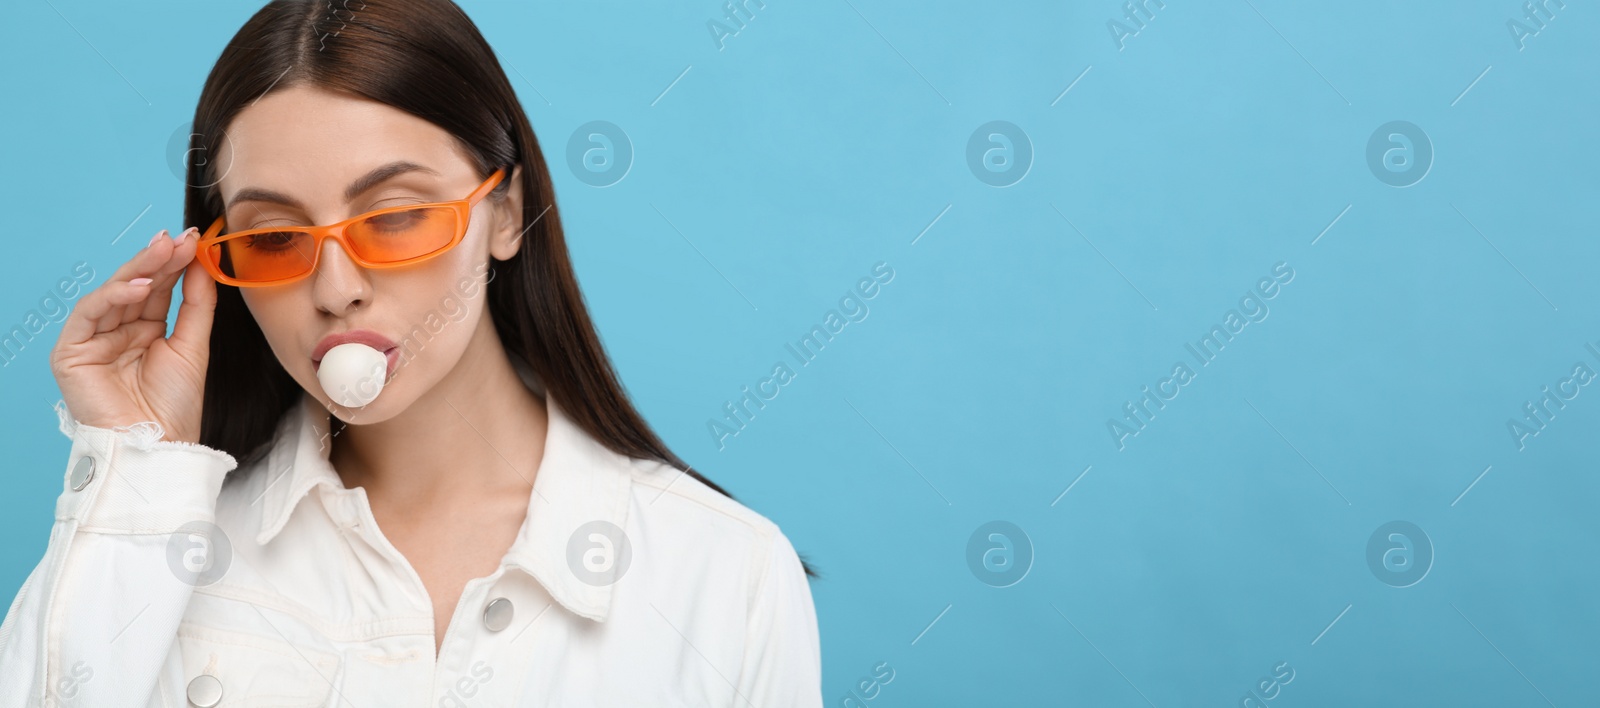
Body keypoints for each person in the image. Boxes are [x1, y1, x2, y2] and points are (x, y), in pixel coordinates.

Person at [0, 0, 821, 705]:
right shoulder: (163, 546)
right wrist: (135, 467)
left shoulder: (726, 573)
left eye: (394, 216)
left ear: (504, 216)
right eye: (277, 236)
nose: (336, 287)